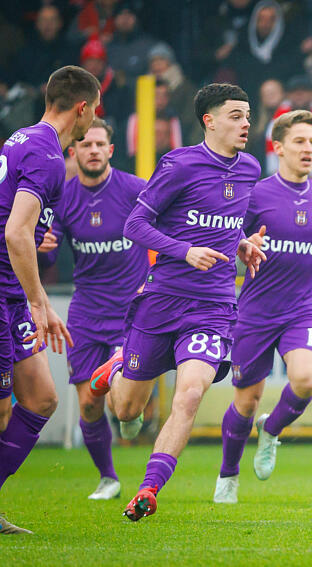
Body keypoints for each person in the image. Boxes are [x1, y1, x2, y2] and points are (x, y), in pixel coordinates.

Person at [87, 83, 265, 522]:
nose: (246, 124)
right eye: (236, 116)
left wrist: (241, 242)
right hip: (163, 299)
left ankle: (148, 489)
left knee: (190, 394)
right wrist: (183, 251)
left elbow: (223, 222)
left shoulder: (250, 168)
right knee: (127, 411)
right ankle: (117, 367)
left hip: (214, 307)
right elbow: (134, 225)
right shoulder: (179, 164)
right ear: (209, 120)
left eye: (248, 116)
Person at [214, 110, 312, 504]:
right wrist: (244, 244)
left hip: (302, 310)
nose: (309, 149)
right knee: (245, 402)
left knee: (306, 379)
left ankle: (271, 429)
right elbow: (227, 238)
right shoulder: (255, 195)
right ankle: (228, 475)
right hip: (255, 313)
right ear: (279, 148)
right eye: (300, 141)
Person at [0, 65, 101, 534]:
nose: (93, 119)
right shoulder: (46, 154)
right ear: (82, 108)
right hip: (6, 293)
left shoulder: (22, 137)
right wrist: (39, 301)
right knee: (3, 410)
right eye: (94, 110)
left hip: (11, 295)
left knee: (41, 398)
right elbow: (14, 231)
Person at [37, 118, 147, 500]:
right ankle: (108, 478)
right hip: (86, 310)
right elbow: (49, 247)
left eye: (101, 144)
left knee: (121, 404)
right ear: (74, 152)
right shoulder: (63, 197)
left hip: (132, 310)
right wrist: (43, 245)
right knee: (88, 404)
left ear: (111, 150)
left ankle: (131, 409)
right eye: (86, 145)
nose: (94, 150)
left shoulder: (135, 189)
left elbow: (169, 225)